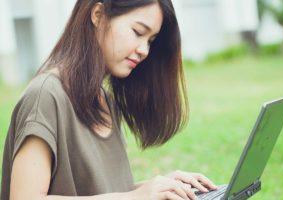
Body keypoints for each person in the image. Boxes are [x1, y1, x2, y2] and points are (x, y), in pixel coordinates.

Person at [1, 0, 218, 199]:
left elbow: (101, 193)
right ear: (98, 14)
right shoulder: (45, 96)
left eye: (150, 41)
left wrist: (161, 188)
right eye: (138, 32)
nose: (144, 50)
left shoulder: (106, 102)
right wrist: (135, 197)